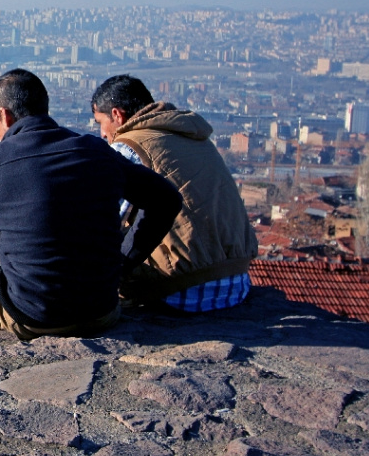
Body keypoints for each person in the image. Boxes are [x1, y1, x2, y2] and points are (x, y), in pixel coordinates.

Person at [0, 69, 182, 340]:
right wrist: (124, 260)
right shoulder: (96, 151)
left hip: (33, 317)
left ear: (4, 115)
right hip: (103, 310)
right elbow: (167, 199)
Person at [91, 74, 258, 311]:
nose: (102, 134)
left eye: (100, 122)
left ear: (117, 115)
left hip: (180, 290)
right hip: (236, 282)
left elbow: (102, 224)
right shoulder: (193, 136)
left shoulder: (129, 146)